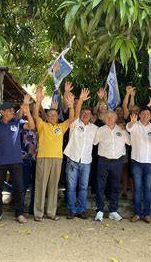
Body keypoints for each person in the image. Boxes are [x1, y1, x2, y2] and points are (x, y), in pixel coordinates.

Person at [0, 95, 35, 224]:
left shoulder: (17, 122)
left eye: (12, 110)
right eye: (9, 110)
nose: (12, 112)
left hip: (16, 161)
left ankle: (19, 213)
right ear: (2, 112)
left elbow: (31, 126)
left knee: (19, 188)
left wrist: (26, 111)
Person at [32, 83, 75, 222]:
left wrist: (71, 105)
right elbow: (34, 114)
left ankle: (51, 212)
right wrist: (38, 100)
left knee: (53, 187)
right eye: (49, 115)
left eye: (54, 115)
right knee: (41, 186)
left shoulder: (61, 127)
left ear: (57, 116)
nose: (52, 117)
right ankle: (38, 213)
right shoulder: (43, 125)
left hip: (57, 159)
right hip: (43, 158)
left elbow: (72, 119)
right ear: (47, 117)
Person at [64, 88, 97, 220]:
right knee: (71, 187)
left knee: (83, 187)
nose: (85, 115)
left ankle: (81, 210)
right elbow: (76, 113)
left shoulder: (94, 129)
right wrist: (81, 100)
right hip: (72, 159)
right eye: (83, 113)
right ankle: (71, 210)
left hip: (86, 162)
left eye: (88, 114)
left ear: (91, 116)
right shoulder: (75, 124)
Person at [93, 110, 131, 222]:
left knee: (115, 186)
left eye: (112, 117)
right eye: (107, 117)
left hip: (118, 162)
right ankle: (99, 210)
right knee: (100, 185)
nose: (110, 119)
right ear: (104, 119)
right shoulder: (100, 130)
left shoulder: (121, 130)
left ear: (115, 118)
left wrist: (127, 129)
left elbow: (130, 142)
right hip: (103, 161)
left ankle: (113, 211)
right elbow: (94, 143)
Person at [127, 107, 151, 223]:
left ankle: (147, 214)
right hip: (136, 161)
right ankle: (137, 213)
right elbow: (129, 128)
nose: (145, 115)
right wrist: (132, 121)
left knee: (148, 188)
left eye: (148, 114)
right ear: (139, 115)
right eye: (143, 113)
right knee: (137, 188)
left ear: (150, 116)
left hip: (150, 162)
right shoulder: (134, 124)